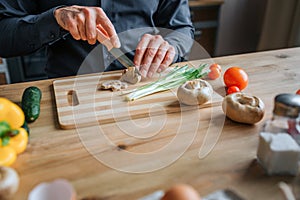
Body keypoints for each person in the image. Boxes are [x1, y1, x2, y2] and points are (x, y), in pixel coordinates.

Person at [0, 1, 194, 78]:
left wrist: (171, 46)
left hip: (146, 88)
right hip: (70, 93)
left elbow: (181, 28)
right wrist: (55, 19)